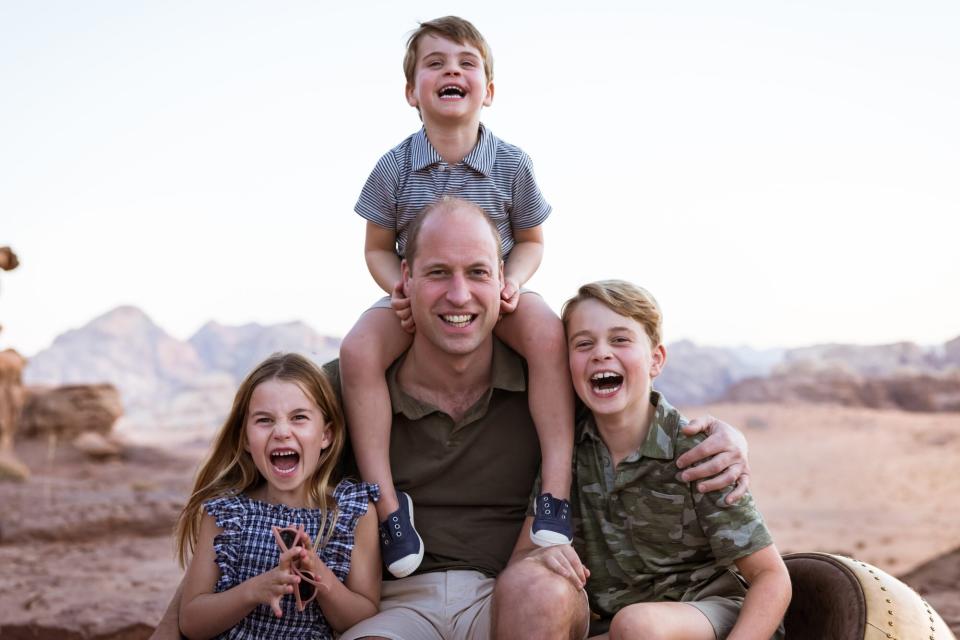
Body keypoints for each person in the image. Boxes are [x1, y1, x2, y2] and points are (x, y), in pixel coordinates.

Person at [150, 198, 754, 640]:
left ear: (504, 285)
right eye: (438, 272)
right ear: (405, 281)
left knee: (541, 588)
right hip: (394, 605)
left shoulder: (551, 385)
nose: (459, 295)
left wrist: (732, 437)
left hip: (515, 596)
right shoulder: (348, 392)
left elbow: (632, 408)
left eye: (477, 273)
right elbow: (246, 497)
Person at [339, 15, 576, 579]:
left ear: (488, 91)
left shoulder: (511, 163)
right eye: (436, 63)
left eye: (467, 63)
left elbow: (531, 239)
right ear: (411, 91)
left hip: (494, 292)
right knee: (357, 351)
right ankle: (389, 508)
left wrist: (512, 280)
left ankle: (557, 493)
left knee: (546, 332)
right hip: (420, 296)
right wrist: (395, 284)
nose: (452, 71)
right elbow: (375, 247)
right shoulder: (395, 166)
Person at [551, 280, 791, 639]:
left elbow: (772, 577)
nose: (601, 353)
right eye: (583, 343)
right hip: (619, 627)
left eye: (620, 340)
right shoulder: (565, 449)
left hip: (711, 614)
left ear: (656, 359)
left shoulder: (699, 452)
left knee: (638, 624)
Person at [174, 353, 381, 640]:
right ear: (245, 439)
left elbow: (360, 618)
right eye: (264, 420)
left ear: (326, 435)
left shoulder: (351, 512)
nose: (282, 431)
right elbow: (191, 623)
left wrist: (316, 574)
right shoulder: (227, 513)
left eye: (299, 418)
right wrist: (254, 590)